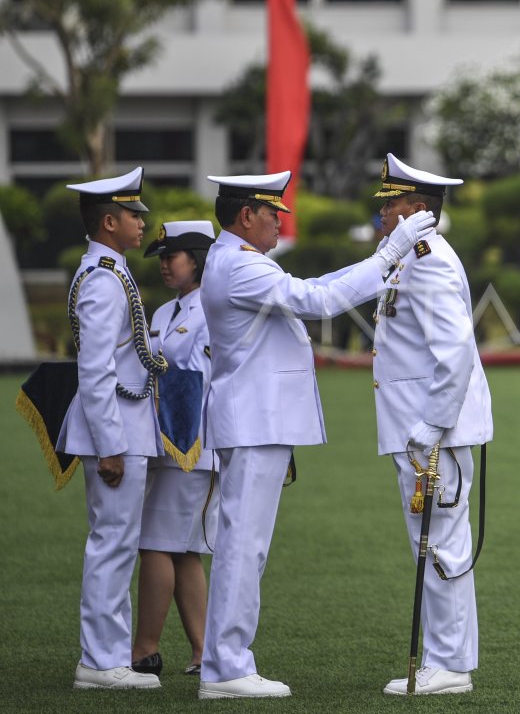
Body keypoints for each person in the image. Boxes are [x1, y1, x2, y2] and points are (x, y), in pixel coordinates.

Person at [198, 171, 435, 699]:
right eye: (271, 213)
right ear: (245, 217)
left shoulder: (236, 260)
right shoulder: (240, 266)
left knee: (244, 545)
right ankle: (227, 668)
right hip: (254, 419)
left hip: (256, 419)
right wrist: (387, 256)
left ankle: (226, 662)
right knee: (243, 546)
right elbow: (320, 302)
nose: (279, 222)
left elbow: (313, 295)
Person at [370, 155, 493, 696]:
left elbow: (455, 349)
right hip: (419, 427)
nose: (383, 214)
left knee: (441, 544)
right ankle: (447, 660)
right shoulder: (407, 259)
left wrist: (433, 423)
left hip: (432, 432)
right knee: (438, 542)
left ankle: (448, 664)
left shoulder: (428, 258)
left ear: (418, 210)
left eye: (391, 204)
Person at [58, 168, 164, 690]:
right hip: (115, 431)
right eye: (132, 215)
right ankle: (101, 663)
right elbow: (96, 370)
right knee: (112, 543)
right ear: (108, 221)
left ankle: (107, 656)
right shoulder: (103, 277)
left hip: (123, 425)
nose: (142, 223)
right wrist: (111, 446)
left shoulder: (109, 270)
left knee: (117, 542)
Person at [131, 220, 218, 678]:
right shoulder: (165, 313)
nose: (165, 263)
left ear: (199, 260)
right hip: (166, 447)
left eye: (174, 255)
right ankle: (204, 651)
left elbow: (203, 382)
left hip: (193, 448)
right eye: (162, 256)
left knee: (155, 545)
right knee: (182, 550)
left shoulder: (212, 310)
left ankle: (144, 650)